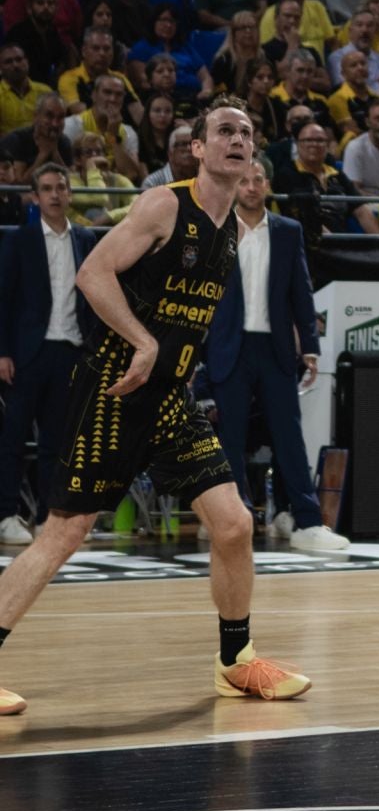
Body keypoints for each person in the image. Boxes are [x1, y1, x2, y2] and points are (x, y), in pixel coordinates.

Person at [0, 97, 311, 715]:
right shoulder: (164, 204)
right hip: (115, 387)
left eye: (246, 132)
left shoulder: (232, 226)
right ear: (198, 148)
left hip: (169, 397)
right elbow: (93, 273)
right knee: (65, 532)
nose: (238, 139)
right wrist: (143, 343)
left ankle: (236, 662)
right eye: (224, 130)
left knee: (234, 524)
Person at [206, 157, 347, 556]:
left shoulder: (288, 231)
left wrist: (311, 348)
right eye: (243, 181)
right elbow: (200, 294)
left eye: (257, 180)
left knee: (289, 437)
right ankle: (231, 522)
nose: (251, 187)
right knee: (229, 440)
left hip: (276, 348)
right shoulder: (214, 229)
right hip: (228, 347)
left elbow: (301, 292)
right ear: (233, 186)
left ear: (267, 184)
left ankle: (308, 522)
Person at [0, 165, 98, 546]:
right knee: (13, 437)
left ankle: (48, 516)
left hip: (70, 350)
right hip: (27, 353)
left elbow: (94, 299)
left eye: (61, 187)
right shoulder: (19, 239)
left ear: (70, 193)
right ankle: (7, 514)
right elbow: (4, 300)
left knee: (57, 443)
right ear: (35, 196)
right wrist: (3, 352)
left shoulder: (85, 239)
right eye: (47, 188)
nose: (55, 195)